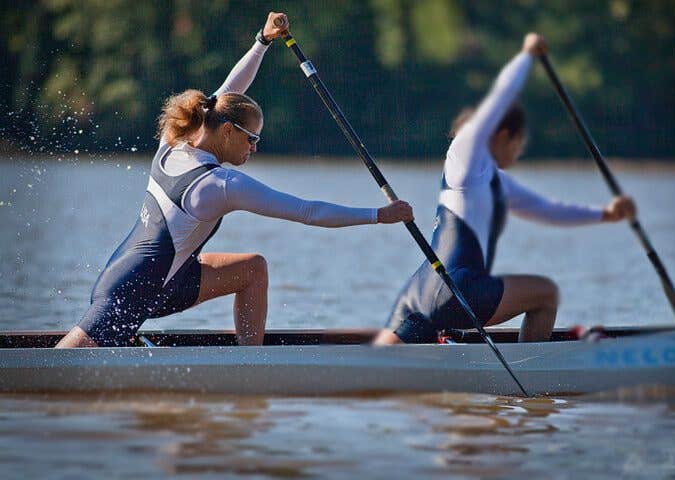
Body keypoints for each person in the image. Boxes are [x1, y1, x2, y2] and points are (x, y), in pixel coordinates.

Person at [56, 12, 413, 348]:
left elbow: (224, 95)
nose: (254, 148)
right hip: (132, 291)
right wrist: (379, 215)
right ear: (227, 133)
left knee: (252, 270)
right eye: (252, 139)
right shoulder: (219, 185)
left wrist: (263, 41)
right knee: (62, 368)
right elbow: (307, 211)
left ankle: (248, 367)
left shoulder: (174, 140)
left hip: (167, 280)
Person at [375, 33, 635, 345]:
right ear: (502, 134)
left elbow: (548, 209)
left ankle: (345, 377)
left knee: (383, 361)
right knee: (545, 294)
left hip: (423, 289)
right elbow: (502, 95)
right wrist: (527, 56)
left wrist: (605, 214)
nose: (519, 152)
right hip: (460, 290)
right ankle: (532, 373)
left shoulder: (494, 182)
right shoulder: (467, 152)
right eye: (519, 143)